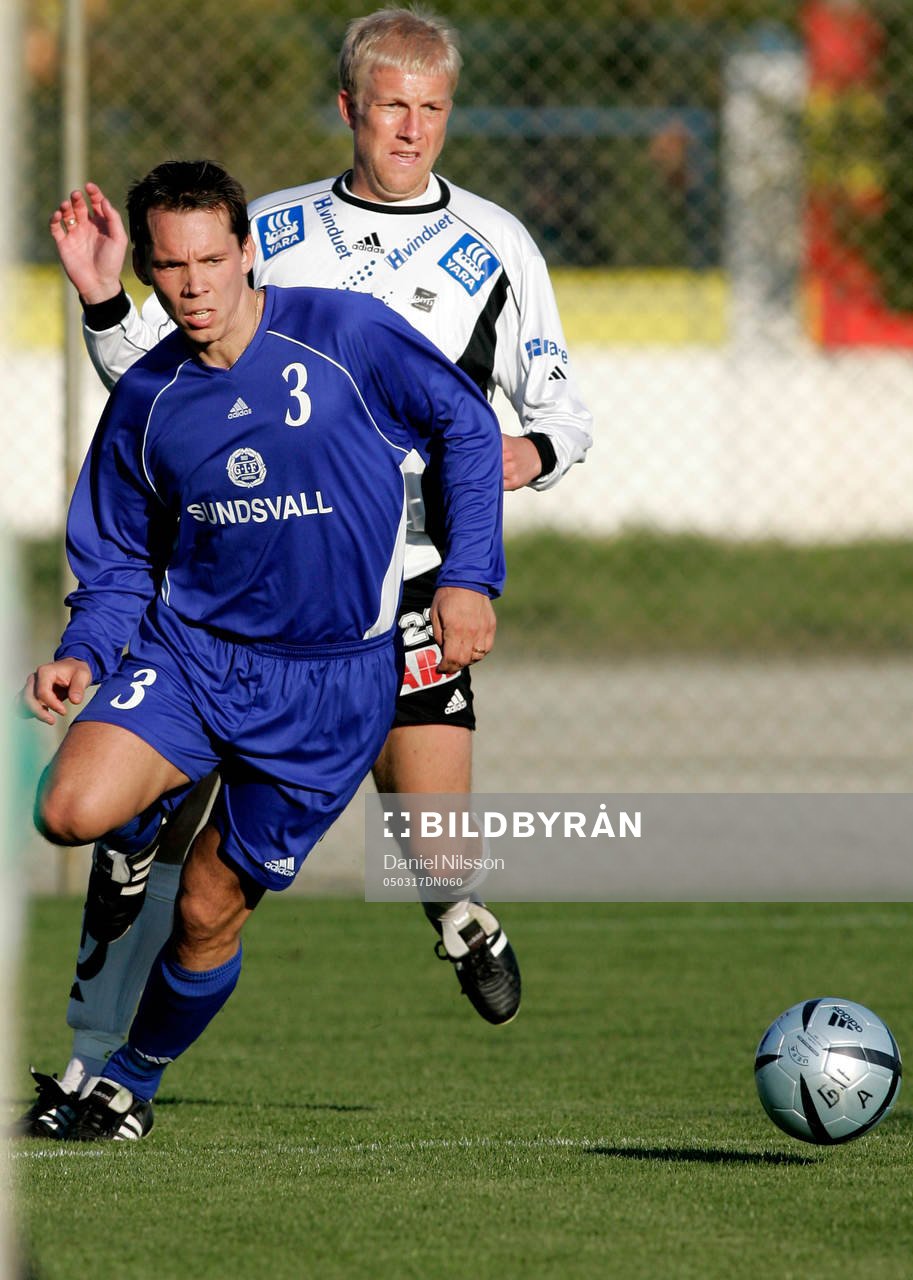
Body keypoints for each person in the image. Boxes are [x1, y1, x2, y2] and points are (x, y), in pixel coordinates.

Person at [22, 6, 592, 1136]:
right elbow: (158, 386)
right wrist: (99, 301)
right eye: (392, 105)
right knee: (99, 812)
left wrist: (522, 472)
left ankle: (455, 911)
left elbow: (550, 410)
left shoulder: (498, 243)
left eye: (432, 108)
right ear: (350, 108)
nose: (412, 129)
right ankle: (121, 968)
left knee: (428, 844)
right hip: (230, 589)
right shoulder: (264, 230)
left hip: (410, 585)